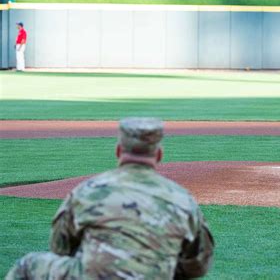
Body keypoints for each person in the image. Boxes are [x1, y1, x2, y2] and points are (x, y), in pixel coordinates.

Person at [7, 117, 215, 279]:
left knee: (28, 265)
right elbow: (198, 265)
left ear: (118, 151)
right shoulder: (182, 199)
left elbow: (59, 248)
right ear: (159, 155)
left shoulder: (88, 190)